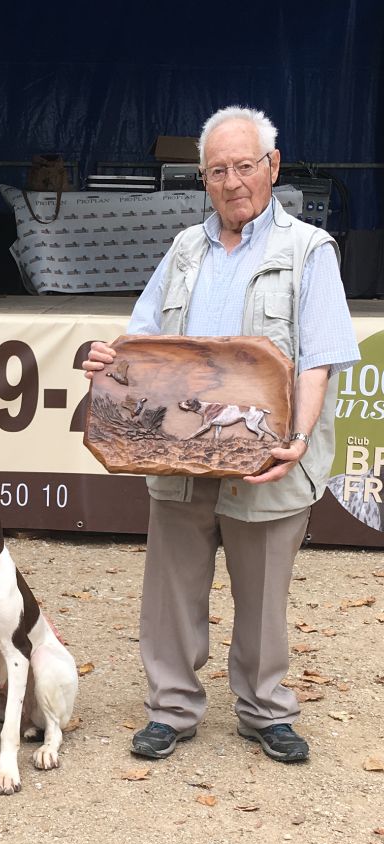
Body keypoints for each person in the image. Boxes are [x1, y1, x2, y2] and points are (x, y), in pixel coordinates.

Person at [84, 105, 360, 764]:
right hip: (180, 451)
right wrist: (110, 358)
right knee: (172, 590)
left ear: (272, 167)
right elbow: (145, 339)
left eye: (244, 166)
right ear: (203, 179)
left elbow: (318, 357)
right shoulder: (185, 248)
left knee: (263, 593)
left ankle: (267, 710)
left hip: (266, 457)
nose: (232, 182)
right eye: (217, 170)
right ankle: (171, 708)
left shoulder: (309, 250)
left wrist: (293, 439)